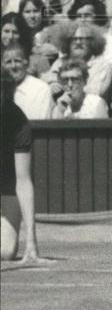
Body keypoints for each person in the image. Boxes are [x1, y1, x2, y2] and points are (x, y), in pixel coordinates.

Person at [1, 71, 45, 263]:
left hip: (7, 188)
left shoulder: (19, 122)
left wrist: (31, 243)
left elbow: (23, 181)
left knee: (6, 252)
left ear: (5, 92)